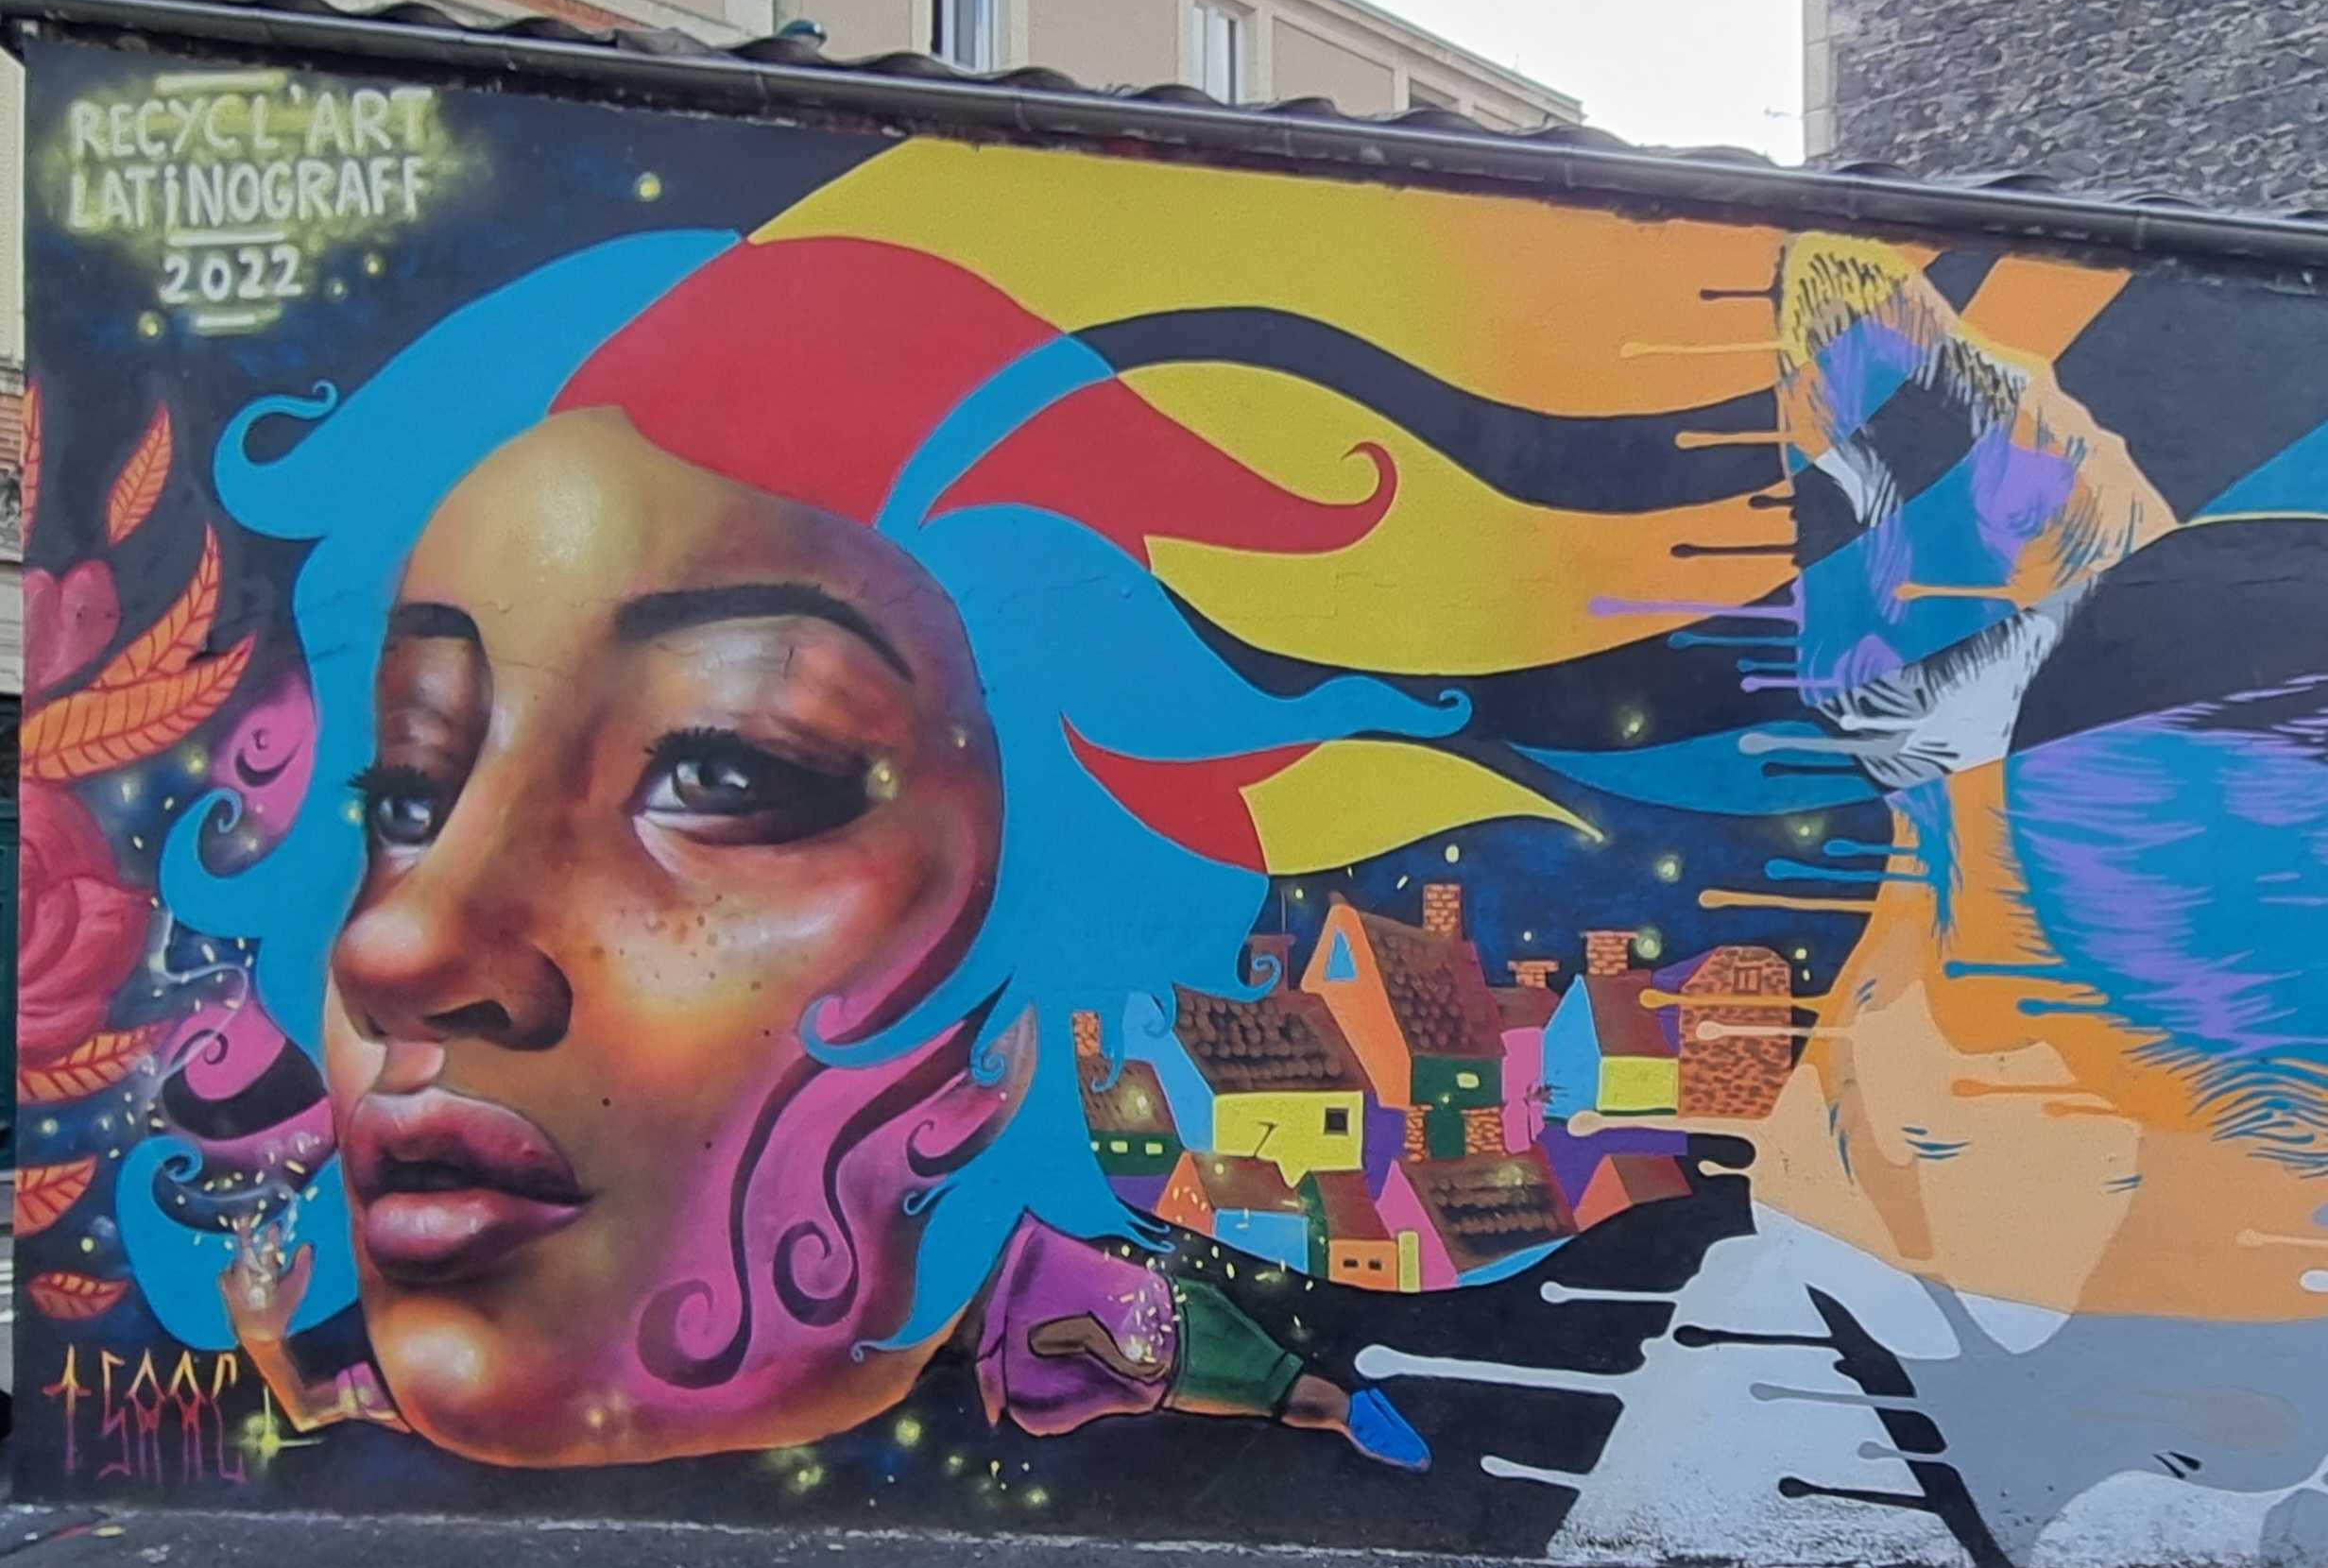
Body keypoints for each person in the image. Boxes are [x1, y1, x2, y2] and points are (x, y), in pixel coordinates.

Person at [125, 224, 1446, 1473]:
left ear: (1024, 991)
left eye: (722, 770)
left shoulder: (1076, 1303)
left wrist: (1314, 1399)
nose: (396, 943)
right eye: (411, 795)